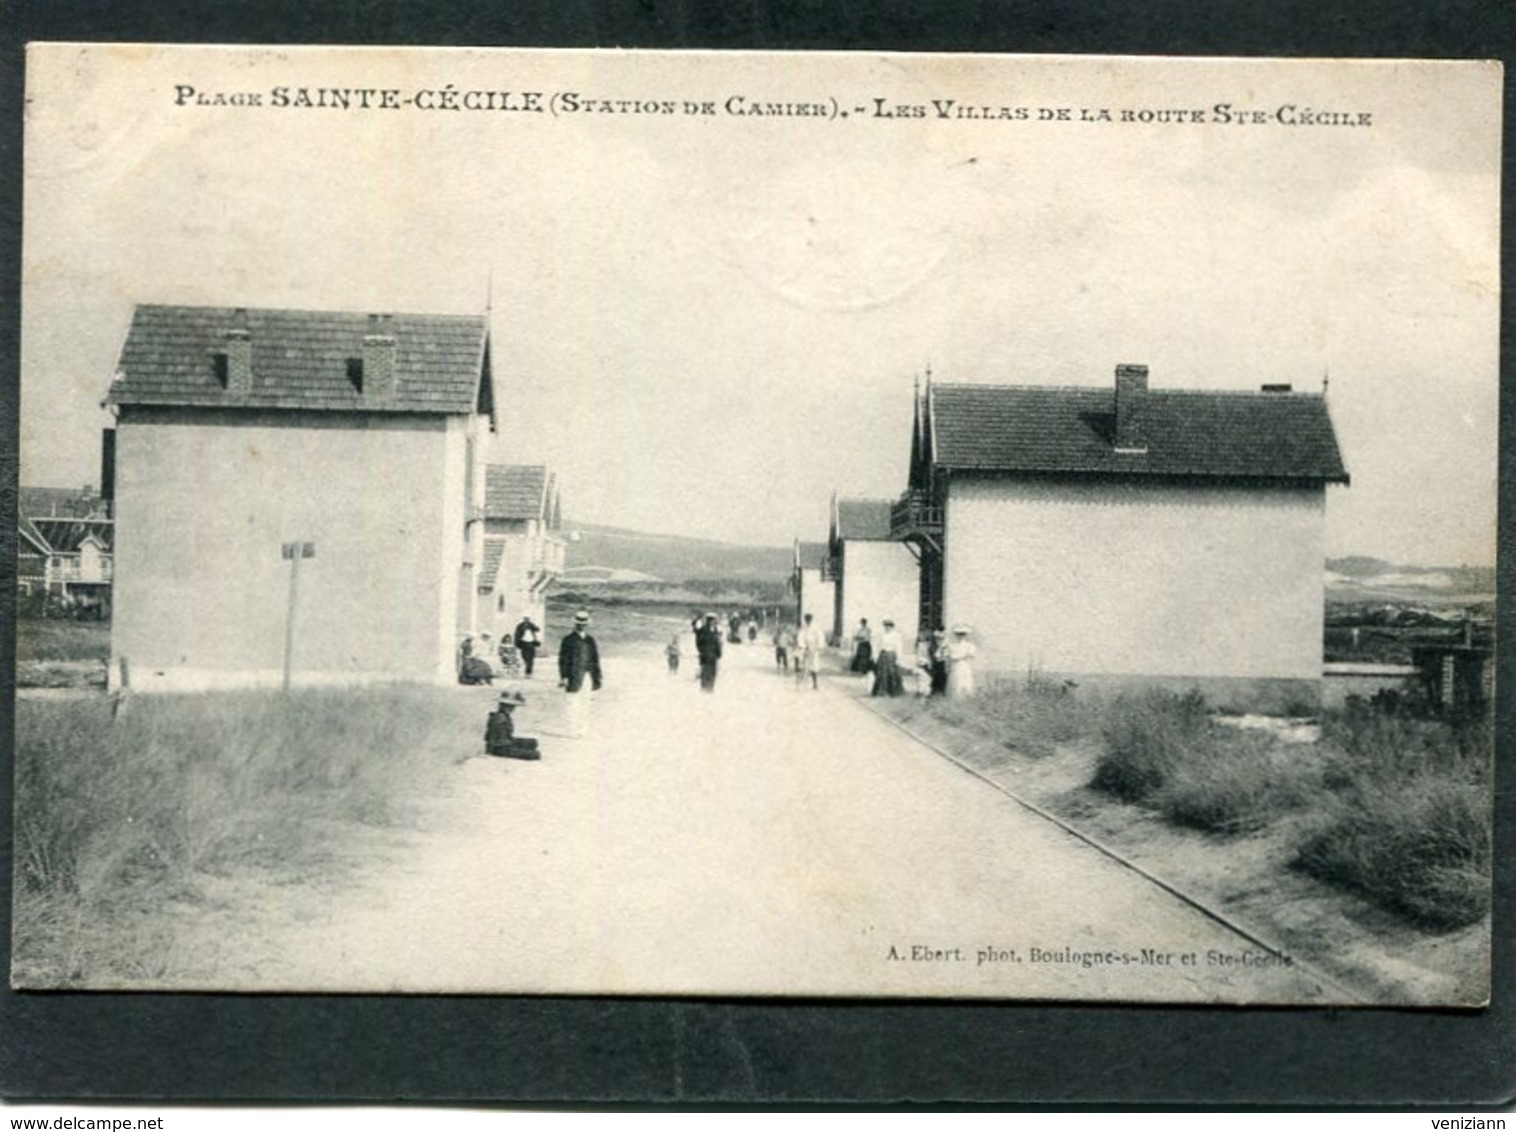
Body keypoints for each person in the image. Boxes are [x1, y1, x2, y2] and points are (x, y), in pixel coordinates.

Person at [557, 609, 603, 736]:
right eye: (579, 623)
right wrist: (564, 676)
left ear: (587, 625)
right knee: (572, 703)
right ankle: (571, 730)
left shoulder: (590, 640)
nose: (581, 625)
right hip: (573, 675)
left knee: (586, 703)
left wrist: (597, 677)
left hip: (588, 675)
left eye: (584, 624)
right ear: (575, 624)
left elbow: (595, 659)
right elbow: (563, 659)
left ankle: (583, 729)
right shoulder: (568, 640)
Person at [484, 687, 540, 760]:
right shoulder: (500, 718)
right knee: (534, 754)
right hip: (500, 748)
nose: (513, 708)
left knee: (533, 742)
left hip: (505, 743)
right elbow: (497, 740)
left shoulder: (502, 716)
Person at [872, 619, 905, 697]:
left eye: (888, 626)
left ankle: (893, 690)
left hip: (891, 655)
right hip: (883, 654)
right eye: (885, 626)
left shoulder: (896, 635)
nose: (886, 628)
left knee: (891, 672)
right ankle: (882, 691)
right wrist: (875, 656)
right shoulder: (882, 635)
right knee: (881, 673)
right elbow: (877, 645)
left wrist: (899, 658)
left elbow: (899, 647)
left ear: (892, 627)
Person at [944, 624, 977, 699]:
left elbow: (970, 655)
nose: (961, 636)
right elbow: (947, 655)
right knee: (955, 680)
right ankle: (955, 697)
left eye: (963, 634)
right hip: (954, 665)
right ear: (955, 635)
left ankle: (965, 696)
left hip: (964, 665)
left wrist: (960, 657)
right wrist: (949, 663)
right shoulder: (952, 645)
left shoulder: (969, 645)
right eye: (958, 634)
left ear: (966, 635)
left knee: (964, 680)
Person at [695, 612, 724, 692]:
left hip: (706, 655)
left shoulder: (703, 630)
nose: (714, 623)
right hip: (710, 655)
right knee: (710, 671)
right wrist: (719, 653)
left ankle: (706, 687)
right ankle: (708, 688)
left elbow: (698, 643)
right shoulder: (712, 632)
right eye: (713, 621)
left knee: (707, 671)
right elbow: (718, 643)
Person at [794, 613, 824, 690]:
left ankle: (815, 683)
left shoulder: (816, 628)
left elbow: (820, 637)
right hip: (805, 646)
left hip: (814, 647)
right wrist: (802, 645)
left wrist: (819, 646)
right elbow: (800, 636)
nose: (807, 621)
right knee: (801, 662)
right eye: (806, 619)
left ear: (811, 619)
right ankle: (800, 683)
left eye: (809, 619)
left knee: (814, 665)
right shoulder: (803, 628)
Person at [930, 627, 949, 696]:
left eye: (941, 639)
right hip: (936, 659)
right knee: (935, 674)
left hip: (942, 659)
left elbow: (946, 651)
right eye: (938, 639)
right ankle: (934, 689)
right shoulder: (936, 636)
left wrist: (943, 656)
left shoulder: (945, 641)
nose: (939, 640)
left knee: (943, 675)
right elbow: (932, 651)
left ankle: (942, 689)